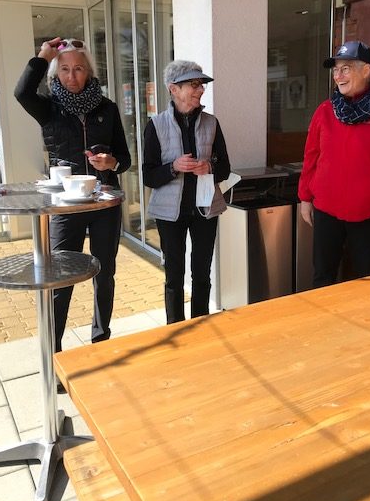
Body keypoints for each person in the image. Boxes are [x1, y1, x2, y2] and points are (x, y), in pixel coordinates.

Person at [15, 37, 131, 353]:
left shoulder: (107, 108)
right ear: (56, 73)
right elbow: (21, 92)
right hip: (66, 206)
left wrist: (112, 162)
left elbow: (125, 158)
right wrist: (43, 56)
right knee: (61, 277)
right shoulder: (48, 108)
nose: (72, 76)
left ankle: (100, 340)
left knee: (104, 274)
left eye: (79, 68)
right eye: (65, 69)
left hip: (104, 203)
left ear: (89, 72)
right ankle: (54, 351)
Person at [298, 40, 370, 288]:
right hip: (326, 209)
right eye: (336, 70)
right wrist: (305, 198)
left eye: (345, 69)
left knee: (366, 280)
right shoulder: (325, 111)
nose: (338, 76)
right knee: (323, 276)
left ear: (366, 70)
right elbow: (311, 157)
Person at [143, 60, 230, 324]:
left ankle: (201, 325)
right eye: (194, 84)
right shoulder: (156, 125)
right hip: (169, 213)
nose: (200, 90)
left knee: (202, 273)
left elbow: (225, 168)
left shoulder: (212, 123)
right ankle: (175, 327)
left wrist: (209, 167)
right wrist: (173, 167)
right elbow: (149, 175)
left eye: (201, 85)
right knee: (174, 276)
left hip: (205, 209)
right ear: (174, 89)